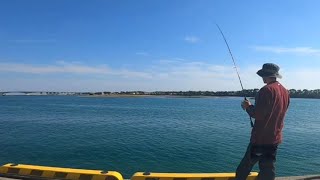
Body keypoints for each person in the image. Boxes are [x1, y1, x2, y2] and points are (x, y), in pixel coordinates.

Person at [235, 63, 290, 180]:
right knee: (268, 169)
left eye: (263, 75)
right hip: (275, 138)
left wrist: (248, 106)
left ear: (266, 75)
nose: (262, 78)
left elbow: (257, 114)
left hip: (260, 139)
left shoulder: (266, 90)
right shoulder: (285, 91)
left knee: (243, 169)